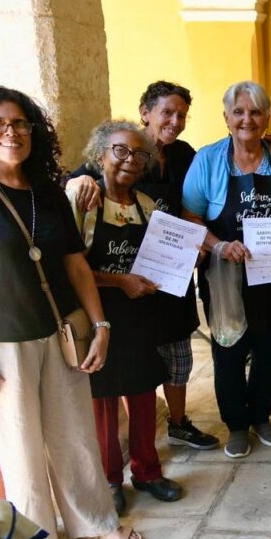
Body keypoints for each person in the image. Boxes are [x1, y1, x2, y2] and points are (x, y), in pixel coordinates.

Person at [0, 86, 142, 539]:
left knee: (75, 437)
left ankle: (94, 523)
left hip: (60, 333)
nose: (11, 132)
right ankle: (39, 537)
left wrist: (101, 326)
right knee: (19, 448)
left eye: (20, 123)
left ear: (34, 131)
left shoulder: (48, 192)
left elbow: (76, 265)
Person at [67, 81, 218, 451]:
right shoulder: (117, 153)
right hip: (121, 290)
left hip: (169, 270)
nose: (175, 121)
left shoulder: (184, 154)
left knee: (176, 356)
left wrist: (193, 248)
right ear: (145, 112)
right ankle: (124, 453)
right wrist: (79, 179)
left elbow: (194, 201)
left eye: (182, 115)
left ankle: (178, 424)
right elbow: (80, 178)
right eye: (167, 112)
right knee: (131, 368)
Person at [182, 81, 271, 459]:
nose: (247, 120)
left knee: (269, 350)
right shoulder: (207, 160)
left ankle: (261, 417)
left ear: (267, 117)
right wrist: (219, 245)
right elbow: (190, 216)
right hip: (225, 277)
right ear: (226, 117)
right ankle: (237, 425)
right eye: (238, 112)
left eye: (255, 112)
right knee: (229, 352)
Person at [68, 120, 184, 515]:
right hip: (98, 315)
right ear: (100, 155)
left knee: (143, 392)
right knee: (103, 401)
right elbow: (71, 266)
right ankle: (110, 480)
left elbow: (157, 259)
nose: (130, 160)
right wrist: (121, 281)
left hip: (139, 315)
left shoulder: (146, 206)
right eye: (120, 150)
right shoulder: (84, 200)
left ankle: (147, 472)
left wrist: (180, 262)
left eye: (139, 154)